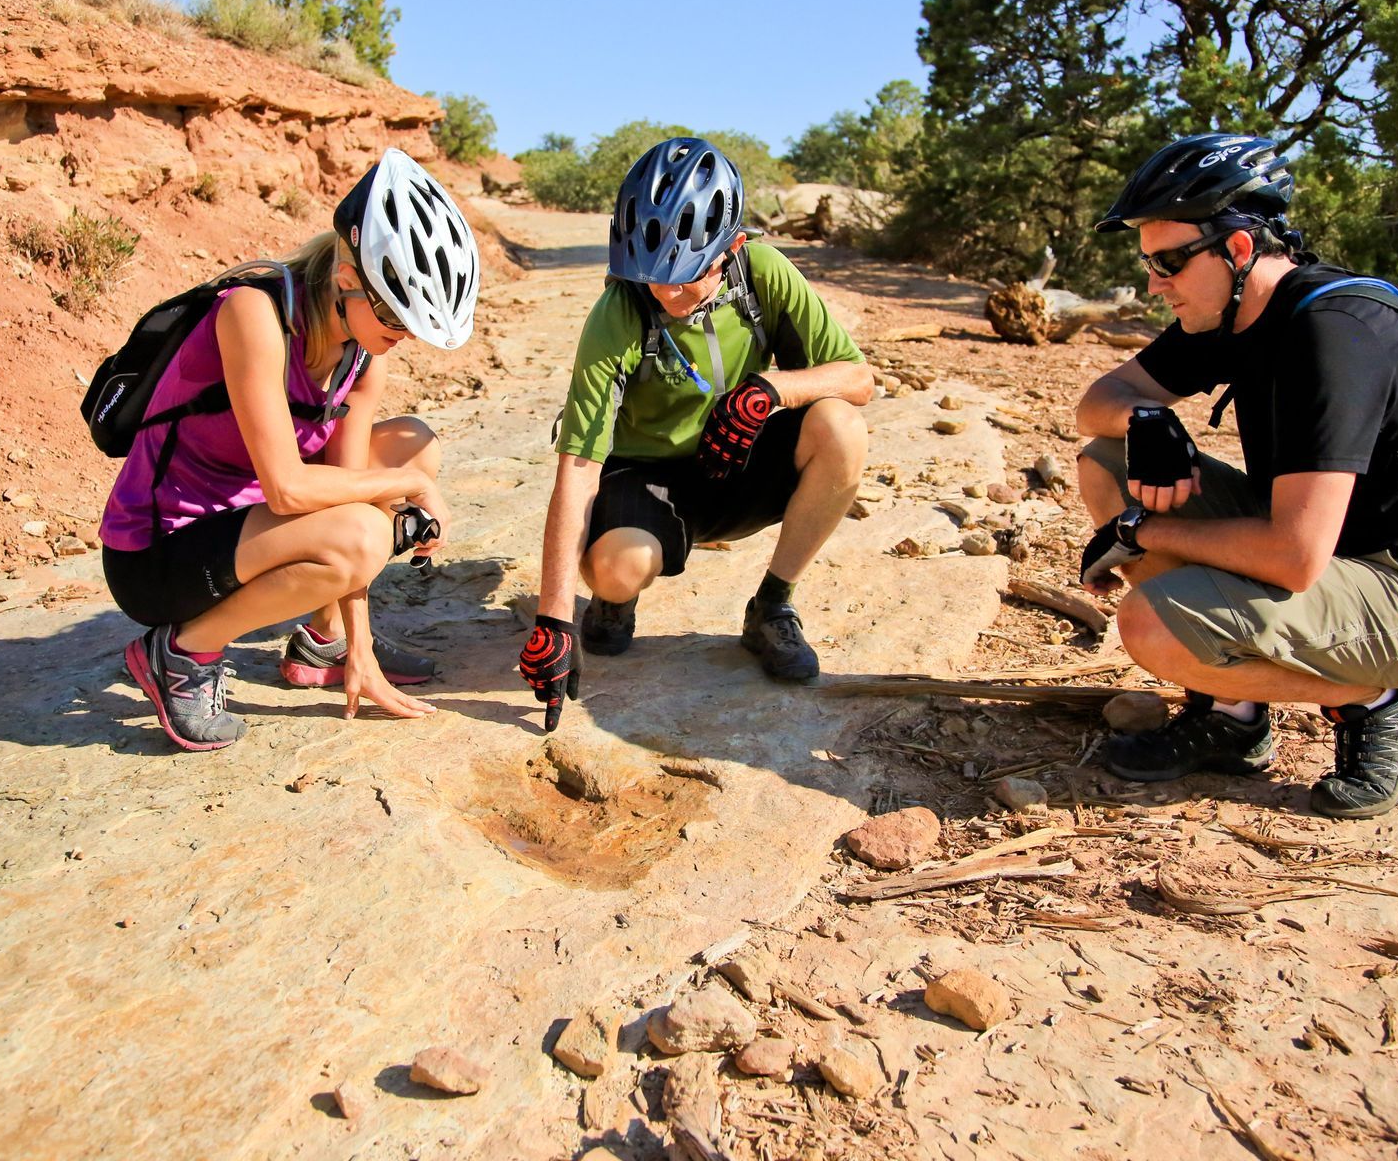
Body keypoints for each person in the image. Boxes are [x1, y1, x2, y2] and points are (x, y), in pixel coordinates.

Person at [1073, 133, 1398, 818]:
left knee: (1151, 624)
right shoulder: (1232, 310)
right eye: (1149, 262)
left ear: (1238, 249)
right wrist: (1150, 423)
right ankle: (1232, 715)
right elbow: (1097, 405)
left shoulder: (1333, 332)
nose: (1155, 283)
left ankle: (1383, 698)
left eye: (1169, 262)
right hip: (1333, 554)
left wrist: (1142, 531)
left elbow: (1293, 556)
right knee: (1107, 460)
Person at [99, 147, 480, 751]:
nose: (403, 336)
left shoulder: (360, 355)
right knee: (375, 511)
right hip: (159, 552)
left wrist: (361, 653)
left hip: (249, 531)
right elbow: (291, 489)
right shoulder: (255, 312)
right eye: (396, 315)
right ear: (349, 278)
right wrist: (404, 487)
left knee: (411, 445)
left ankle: (321, 644)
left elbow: (347, 496)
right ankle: (179, 653)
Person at [518, 137, 873, 731]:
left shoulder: (763, 272)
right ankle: (614, 600)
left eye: (687, 277)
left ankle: (772, 607)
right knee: (618, 566)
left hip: (739, 458)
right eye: (653, 276)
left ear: (731, 246)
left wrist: (772, 390)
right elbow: (578, 466)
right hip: (647, 475)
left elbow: (858, 377)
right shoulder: (618, 312)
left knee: (842, 426)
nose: (668, 293)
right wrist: (553, 617)